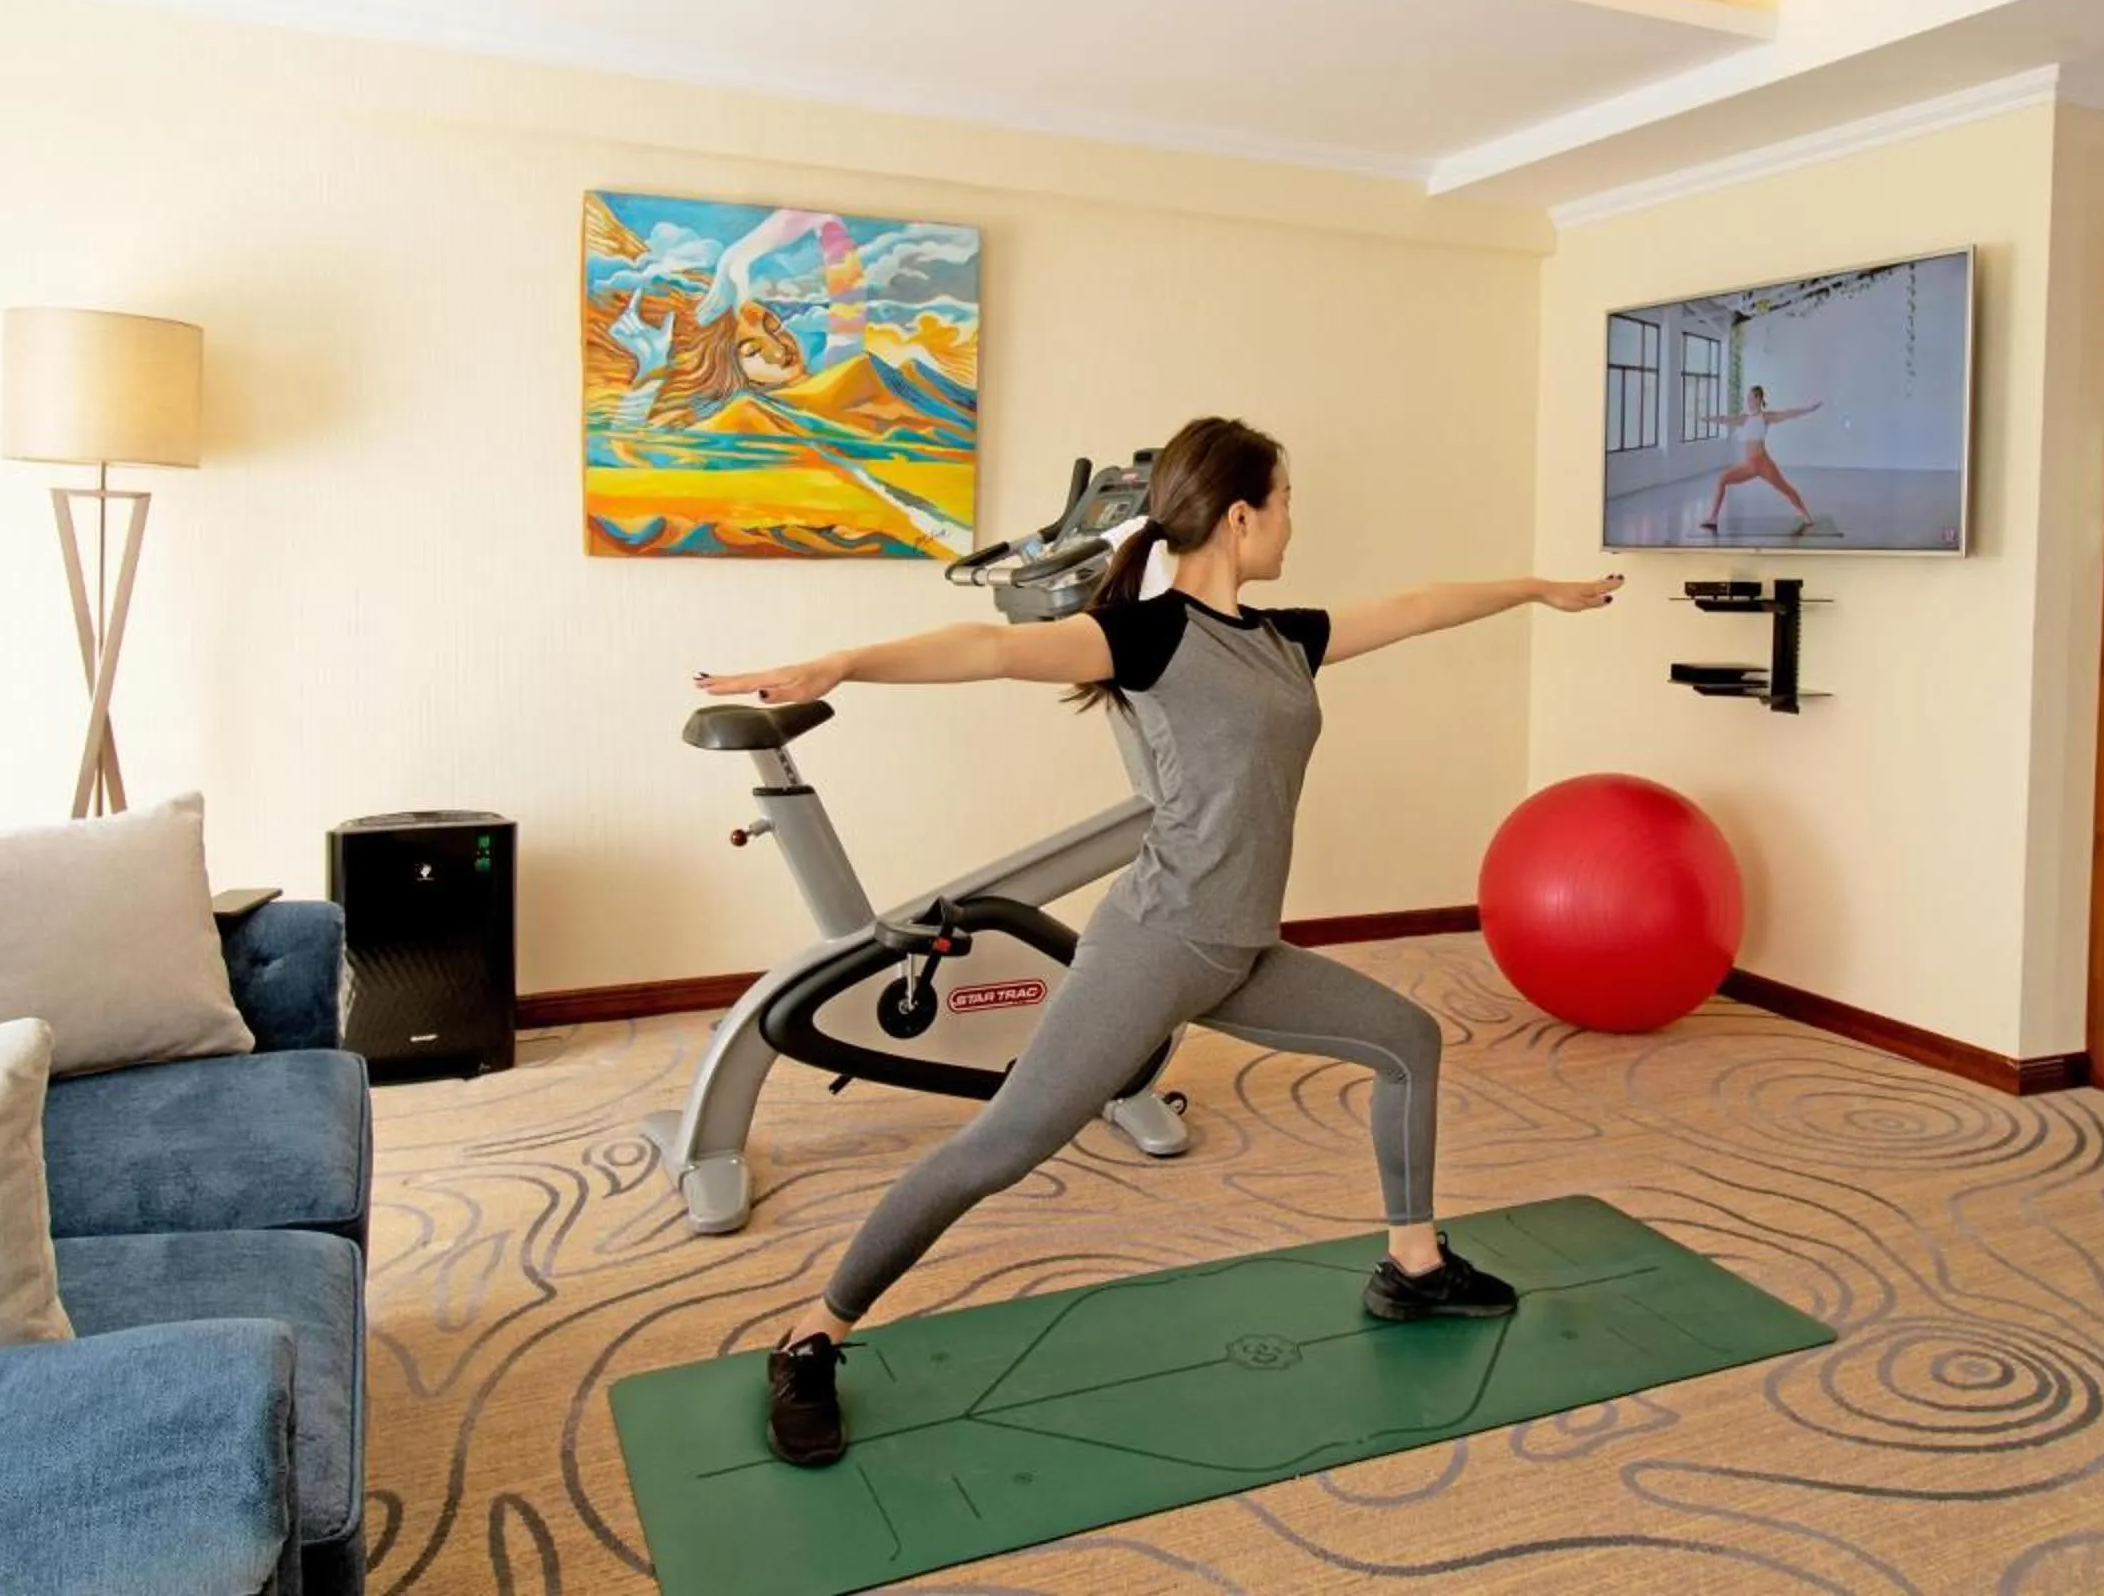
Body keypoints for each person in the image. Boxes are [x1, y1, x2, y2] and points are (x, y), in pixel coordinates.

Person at [694, 416, 1620, 1466]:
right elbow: (993, 648)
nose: (1290, 525)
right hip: (1159, 941)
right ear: (1240, 513)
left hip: (1241, 948)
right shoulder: (1149, 632)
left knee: (1409, 1036)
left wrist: (1537, 588)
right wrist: (846, 661)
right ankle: (812, 1333)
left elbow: (1414, 609)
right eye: (1285, 503)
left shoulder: (1282, 638)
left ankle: (1412, 1264)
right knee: (1000, 1146)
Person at [1702, 383, 1823, 531]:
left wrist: (1809, 409)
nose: (1748, 401)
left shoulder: (1765, 417)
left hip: (1763, 463)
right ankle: (1713, 517)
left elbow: (1788, 414)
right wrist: (1707, 419)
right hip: (1748, 465)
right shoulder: (1744, 419)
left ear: (1758, 399)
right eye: (1747, 398)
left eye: (1751, 398)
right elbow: (1725, 419)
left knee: (1786, 489)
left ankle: (1806, 515)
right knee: (1722, 479)